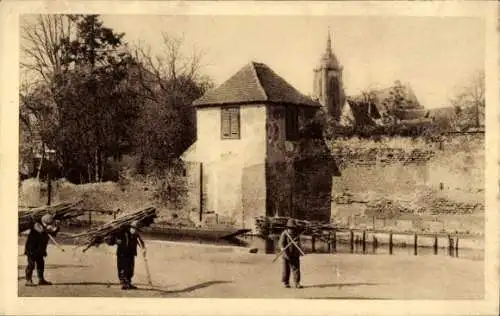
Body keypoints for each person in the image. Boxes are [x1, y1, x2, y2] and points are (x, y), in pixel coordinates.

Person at [106, 220, 146, 290]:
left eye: (137, 230)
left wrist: (143, 249)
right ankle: (124, 284)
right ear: (131, 228)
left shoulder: (135, 234)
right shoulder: (122, 232)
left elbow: (141, 242)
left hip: (131, 254)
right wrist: (116, 241)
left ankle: (128, 283)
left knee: (130, 269)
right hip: (122, 254)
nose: (136, 231)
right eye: (135, 229)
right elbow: (111, 239)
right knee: (122, 269)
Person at [24, 213, 59, 286]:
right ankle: (28, 280)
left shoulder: (46, 226)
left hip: (40, 249)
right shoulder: (36, 224)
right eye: (48, 224)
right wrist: (48, 229)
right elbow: (42, 231)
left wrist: (56, 229)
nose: (49, 225)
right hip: (32, 249)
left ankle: (41, 280)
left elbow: (52, 233)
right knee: (31, 264)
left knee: (41, 264)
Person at [278, 218, 303, 289]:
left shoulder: (296, 235)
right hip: (286, 254)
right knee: (286, 269)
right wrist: (282, 249)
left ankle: (297, 283)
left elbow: (299, 244)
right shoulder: (284, 234)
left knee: (296, 268)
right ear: (288, 227)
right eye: (290, 228)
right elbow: (281, 243)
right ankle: (286, 282)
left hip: (295, 254)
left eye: (293, 228)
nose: (291, 229)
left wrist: (298, 245)